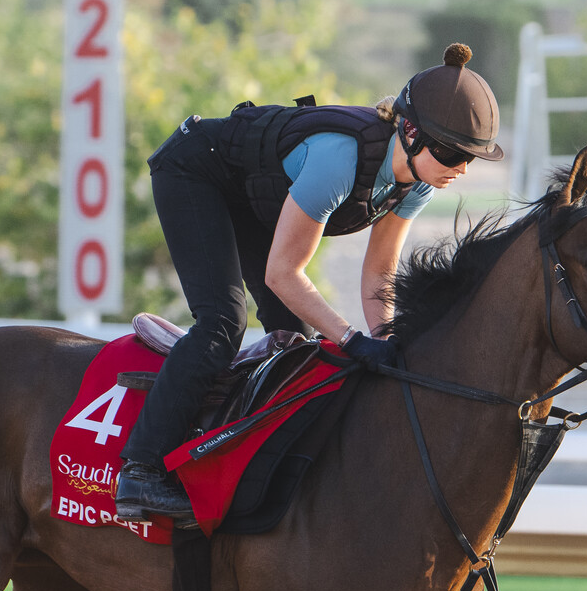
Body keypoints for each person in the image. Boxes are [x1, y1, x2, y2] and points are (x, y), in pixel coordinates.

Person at [114, 42, 505, 523]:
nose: (460, 169)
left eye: (469, 158)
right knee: (222, 323)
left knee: (295, 338)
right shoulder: (338, 160)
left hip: (252, 193)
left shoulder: (419, 181)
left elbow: (379, 272)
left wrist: (387, 343)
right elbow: (283, 273)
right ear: (408, 130)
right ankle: (142, 470)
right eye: (451, 153)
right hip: (195, 172)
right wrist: (351, 339)